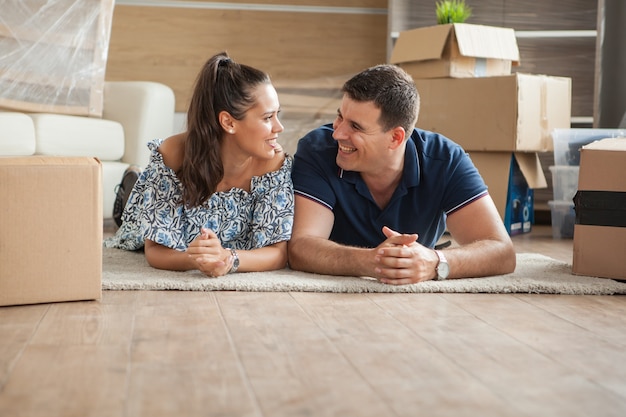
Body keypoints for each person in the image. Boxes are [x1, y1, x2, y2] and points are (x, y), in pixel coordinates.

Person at [288, 64, 516, 285]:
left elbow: (502, 251)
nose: (338, 133)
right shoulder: (318, 150)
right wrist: (373, 261)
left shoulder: (445, 159)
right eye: (340, 117)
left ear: (395, 138)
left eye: (355, 127)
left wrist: (435, 262)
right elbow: (301, 247)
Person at [104, 52, 293, 278]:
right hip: (153, 219)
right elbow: (154, 250)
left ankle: (136, 181)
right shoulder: (172, 155)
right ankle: (131, 185)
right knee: (130, 226)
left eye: (277, 115)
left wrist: (228, 258)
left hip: (222, 248)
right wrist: (196, 259)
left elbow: (278, 253)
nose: (279, 127)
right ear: (228, 122)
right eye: (267, 117)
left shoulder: (274, 164)